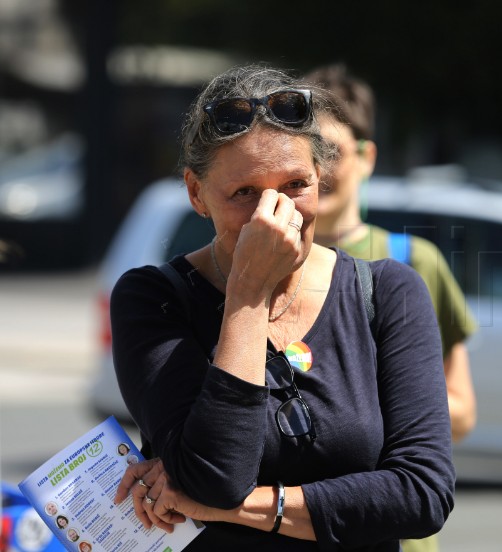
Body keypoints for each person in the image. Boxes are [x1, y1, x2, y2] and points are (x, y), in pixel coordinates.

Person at [111, 64, 455, 551]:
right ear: (196, 193)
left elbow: (422, 494)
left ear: (322, 178)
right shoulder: (155, 299)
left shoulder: (388, 291)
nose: (274, 215)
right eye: (244, 193)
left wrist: (240, 508)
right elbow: (216, 474)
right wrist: (249, 293)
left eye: (296, 185)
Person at [302, 64, 477, 552]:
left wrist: (366, 404)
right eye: (305, 151)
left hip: (397, 533)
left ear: (367, 156)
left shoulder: (410, 263)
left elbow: (461, 412)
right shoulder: (266, 263)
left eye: (331, 151)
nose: (319, 168)